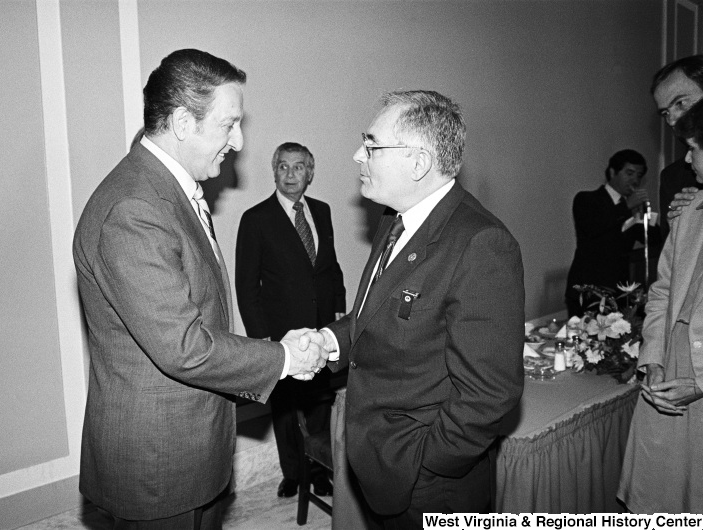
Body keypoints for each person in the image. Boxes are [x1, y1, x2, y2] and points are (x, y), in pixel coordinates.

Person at [72, 49, 327, 529]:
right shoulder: (133, 208)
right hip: (158, 465)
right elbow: (184, 348)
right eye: (229, 124)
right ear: (183, 123)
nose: (238, 141)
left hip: (194, 446)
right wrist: (284, 357)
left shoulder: (170, 189)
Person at [306, 90, 525, 524]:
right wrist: (326, 341)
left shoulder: (481, 244)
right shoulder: (395, 220)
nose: (357, 155)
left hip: (428, 488)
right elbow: (374, 316)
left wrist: (426, 463)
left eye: (371, 144)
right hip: (380, 464)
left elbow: (490, 394)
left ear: (418, 162)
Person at [235, 142, 346, 498]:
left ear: (309, 173)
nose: (290, 175)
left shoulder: (323, 211)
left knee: (319, 401)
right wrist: (262, 336)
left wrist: (339, 309)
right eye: (283, 167)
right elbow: (246, 283)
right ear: (274, 171)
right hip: (281, 334)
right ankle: (293, 473)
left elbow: (330, 265)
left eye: (298, 167)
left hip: (322, 327)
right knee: (285, 408)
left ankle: (317, 469)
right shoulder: (256, 219)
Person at [617, 98, 703, 513]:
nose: (687, 158)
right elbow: (662, 290)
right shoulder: (690, 213)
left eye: (695, 148)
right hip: (670, 370)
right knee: (662, 501)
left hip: (699, 377)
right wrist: (652, 358)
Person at [564, 150, 659, 317]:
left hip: (620, 290)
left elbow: (654, 239)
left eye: (639, 176)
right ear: (612, 172)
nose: (635, 180)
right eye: (629, 173)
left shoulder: (630, 207)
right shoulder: (587, 199)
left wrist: (646, 214)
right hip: (588, 287)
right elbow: (592, 228)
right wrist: (626, 207)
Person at [651, 55, 703, 241]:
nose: (672, 121)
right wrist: (676, 222)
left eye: (680, 103)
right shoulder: (673, 178)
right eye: (665, 113)